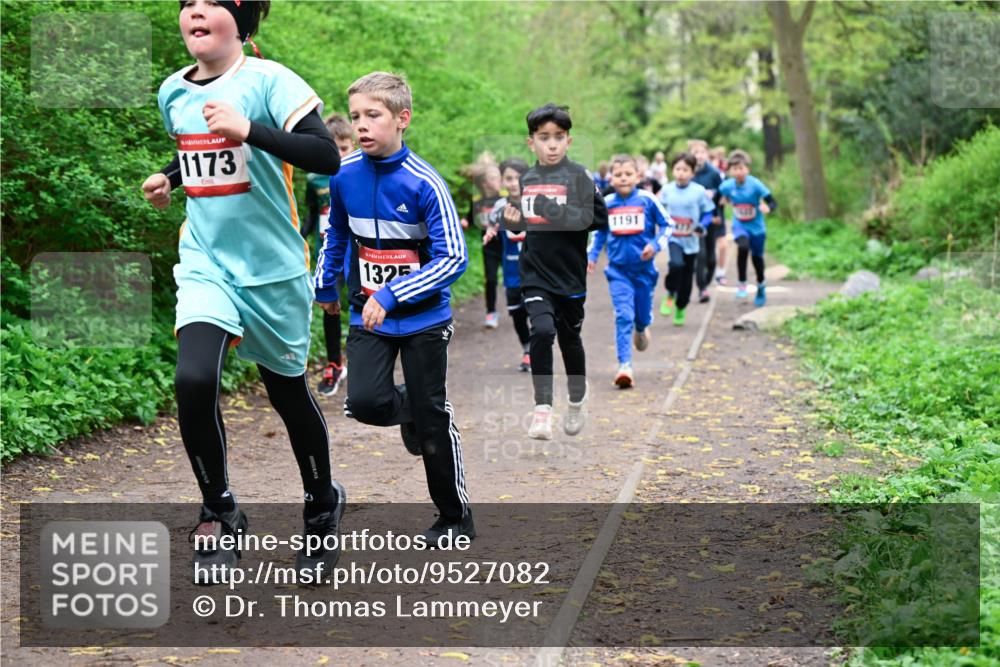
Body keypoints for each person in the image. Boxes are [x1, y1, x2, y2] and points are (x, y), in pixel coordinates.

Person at [142, 0, 344, 582]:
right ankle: (220, 509)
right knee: (193, 378)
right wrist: (170, 178)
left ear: (242, 19)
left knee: (288, 396)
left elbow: (325, 155)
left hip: (273, 271)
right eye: (187, 5)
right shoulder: (172, 92)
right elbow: (200, 151)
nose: (195, 12)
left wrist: (250, 128)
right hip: (206, 260)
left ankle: (322, 504)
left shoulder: (270, 80)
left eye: (211, 3)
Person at [313, 71, 472, 545]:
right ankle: (412, 413)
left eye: (373, 116)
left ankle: (453, 517)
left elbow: (454, 258)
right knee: (364, 403)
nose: (362, 125)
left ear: (402, 119)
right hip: (369, 316)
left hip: (423, 319)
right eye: (357, 116)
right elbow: (337, 234)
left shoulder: (425, 183)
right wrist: (325, 284)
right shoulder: (344, 176)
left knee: (432, 420)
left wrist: (393, 293)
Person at [518, 103, 608, 440]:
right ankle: (542, 410)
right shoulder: (527, 178)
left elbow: (599, 219)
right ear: (532, 143)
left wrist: (556, 210)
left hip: (569, 276)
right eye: (544, 137)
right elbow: (524, 221)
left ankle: (576, 400)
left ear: (568, 141)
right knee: (541, 331)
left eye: (558, 137)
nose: (551, 144)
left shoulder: (580, 176)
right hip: (535, 273)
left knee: (570, 341)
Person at [586, 154, 671, 388]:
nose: (623, 178)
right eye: (618, 174)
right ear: (611, 178)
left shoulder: (647, 200)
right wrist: (592, 256)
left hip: (644, 271)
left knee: (640, 317)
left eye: (628, 174)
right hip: (618, 271)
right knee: (623, 315)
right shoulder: (608, 203)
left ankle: (642, 327)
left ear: (638, 176)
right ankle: (625, 366)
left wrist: (654, 245)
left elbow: (667, 225)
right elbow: (599, 233)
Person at [304, 113, 355, 397]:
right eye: (333, 148)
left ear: (354, 145)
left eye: (345, 148)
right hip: (329, 251)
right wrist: (296, 237)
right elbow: (311, 216)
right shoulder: (315, 180)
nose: (339, 154)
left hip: (358, 251)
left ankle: (363, 359)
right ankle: (335, 363)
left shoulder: (362, 173)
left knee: (362, 301)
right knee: (329, 302)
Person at [483, 157, 532, 372]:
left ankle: (535, 352)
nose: (514, 183)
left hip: (537, 271)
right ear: (502, 181)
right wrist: (490, 233)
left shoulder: (537, 202)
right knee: (517, 313)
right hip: (512, 271)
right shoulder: (500, 206)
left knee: (539, 313)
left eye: (518, 178)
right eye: (509, 178)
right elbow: (493, 226)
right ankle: (527, 346)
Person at [658, 152, 715, 326]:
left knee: (687, 279)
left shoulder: (698, 191)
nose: (681, 173)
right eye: (678, 169)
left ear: (692, 172)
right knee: (676, 265)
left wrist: (702, 225)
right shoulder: (667, 190)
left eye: (685, 169)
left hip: (691, 240)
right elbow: (658, 211)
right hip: (674, 238)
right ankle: (670, 293)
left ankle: (681, 307)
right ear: (672, 170)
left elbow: (709, 212)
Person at [718, 150, 777, 307]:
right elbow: (717, 200)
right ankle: (742, 283)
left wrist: (768, 208)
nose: (738, 172)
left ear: (747, 169)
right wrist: (720, 206)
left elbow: (773, 202)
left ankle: (761, 285)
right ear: (730, 170)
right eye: (734, 169)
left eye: (741, 168)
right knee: (743, 247)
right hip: (739, 225)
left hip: (757, 227)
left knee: (757, 258)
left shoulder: (755, 184)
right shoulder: (727, 186)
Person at [461, 156, 504, 329]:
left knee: (516, 280)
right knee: (491, 280)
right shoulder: (477, 202)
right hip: (490, 248)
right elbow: (470, 219)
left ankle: (523, 307)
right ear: (485, 183)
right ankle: (491, 312)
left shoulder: (505, 199)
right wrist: (464, 222)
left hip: (509, 246)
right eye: (494, 178)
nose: (499, 181)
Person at [688, 139, 724, 304]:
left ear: (707, 155)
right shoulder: (689, 174)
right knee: (700, 254)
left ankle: (707, 280)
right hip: (696, 221)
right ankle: (702, 289)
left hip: (713, 219)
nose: (699, 156)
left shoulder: (714, 173)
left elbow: (722, 197)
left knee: (711, 257)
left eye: (702, 152)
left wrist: (717, 214)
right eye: (696, 153)